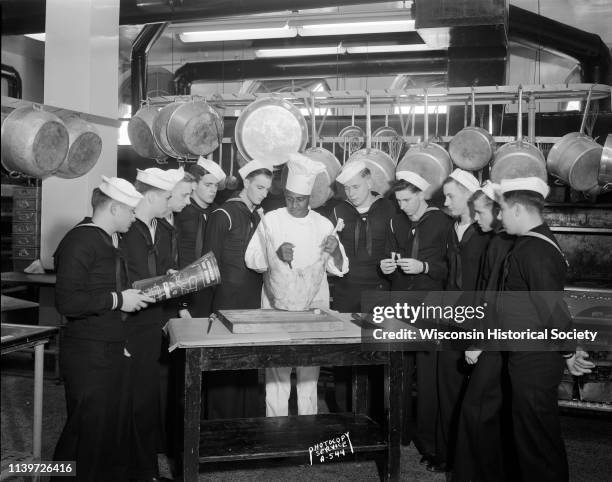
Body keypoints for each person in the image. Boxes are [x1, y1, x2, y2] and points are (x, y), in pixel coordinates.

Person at [53, 177, 154, 481]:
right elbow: (67, 302)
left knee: (108, 431)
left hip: (109, 345)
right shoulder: (81, 240)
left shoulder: (109, 240)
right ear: (113, 208)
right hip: (88, 352)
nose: (135, 217)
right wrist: (118, 300)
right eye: (131, 212)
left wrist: (120, 336)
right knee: (86, 432)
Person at [496, 177, 594, 482]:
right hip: (532, 354)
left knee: (537, 440)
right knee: (532, 437)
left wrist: (567, 349)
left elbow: (552, 308)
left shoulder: (533, 251)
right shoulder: (534, 243)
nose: (499, 217)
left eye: (501, 210)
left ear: (517, 209)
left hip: (534, 359)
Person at [245, 153, 348, 417]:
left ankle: (307, 428)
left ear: (310, 199)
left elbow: (340, 267)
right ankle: (276, 429)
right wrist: (275, 254)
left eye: (299, 200)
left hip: (313, 305)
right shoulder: (271, 219)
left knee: (308, 371)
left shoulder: (323, 224)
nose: (293, 204)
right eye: (289, 197)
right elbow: (252, 257)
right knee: (277, 371)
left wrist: (335, 251)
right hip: (276, 304)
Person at [380, 170, 452, 467]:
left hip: (429, 304)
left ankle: (429, 442)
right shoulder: (397, 221)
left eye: (408, 200)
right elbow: (389, 255)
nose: (403, 206)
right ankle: (400, 431)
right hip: (400, 302)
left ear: (422, 194)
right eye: (399, 201)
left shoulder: (443, 222)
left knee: (427, 375)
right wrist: (386, 266)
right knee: (399, 369)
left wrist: (424, 267)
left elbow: (450, 269)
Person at [453, 181, 516, 482]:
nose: (476, 219)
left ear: (497, 211)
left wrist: (478, 343)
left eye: (480, 213)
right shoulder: (501, 241)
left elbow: (494, 299)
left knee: (476, 414)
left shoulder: (501, 244)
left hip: (494, 343)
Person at [202, 159, 273, 419]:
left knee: (248, 362)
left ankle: (246, 420)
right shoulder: (223, 215)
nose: (264, 194)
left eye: (267, 189)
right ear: (246, 184)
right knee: (225, 365)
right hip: (227, 299)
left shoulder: (256, 215)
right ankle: (221, 421)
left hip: (252, 297)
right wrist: (211, 307)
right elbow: (209, 265)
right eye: (260, 187)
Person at [120, 167, 178, 480]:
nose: (171, 203)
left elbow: (167, 267)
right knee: (133, 397)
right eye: (168, 197)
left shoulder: (166, 230)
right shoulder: (124, 229)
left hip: (157, 319)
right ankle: (137, 468)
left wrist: (172, 279)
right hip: (130, 323)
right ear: (152, 196)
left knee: (149, 396)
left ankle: (146, 465)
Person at [432, 168, 491, 474]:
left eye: (451, 195)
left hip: (473, 321)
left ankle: (465, 458)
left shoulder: (486, 234)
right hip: (448, 320)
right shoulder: (449, 228)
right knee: (446, 385)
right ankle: (445, 453)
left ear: (470, 197)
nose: (446, 201)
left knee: (471, 393)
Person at [329, 160, 396, 412]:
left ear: (370, 182)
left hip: (379, 292)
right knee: (345, 356)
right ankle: (343, 413)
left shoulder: (389, 209)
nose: (351, 193)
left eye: (355, 187)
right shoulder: (337, 211)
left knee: (377, 356)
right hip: (346, 291)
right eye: (346, 188)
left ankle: (376, 414)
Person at [174, 157, 226, 317]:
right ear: (194, 184)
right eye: (208, 185)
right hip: (187, 288)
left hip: (212, 287)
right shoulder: (182, 212)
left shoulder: (217, 212)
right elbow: (178, 258)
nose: (213, 190)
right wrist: (181, 304)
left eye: (216, 185)